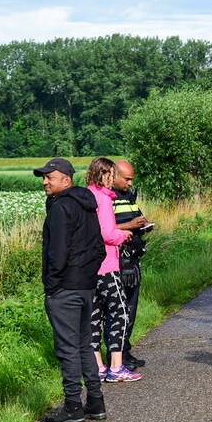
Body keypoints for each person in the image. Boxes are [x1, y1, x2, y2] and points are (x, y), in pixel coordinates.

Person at [34, 157, 107, 422]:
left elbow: (58, 252)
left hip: (65, 288)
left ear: (66, 179)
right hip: (86, 286)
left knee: (67, 348)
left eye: (49, 177)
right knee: (85, 344)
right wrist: (86, 276)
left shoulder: (61, 207)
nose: (44, 182)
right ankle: (96, 401)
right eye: (43, 177)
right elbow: (99, 248)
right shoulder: (86, 204)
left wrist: (52, 286)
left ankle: (73, 406)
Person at [86, 157, 142, 383]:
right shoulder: (104, 199)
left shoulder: (87, 197)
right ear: (106, 175)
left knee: (95, 316)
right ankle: (116, 367)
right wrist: (125, 235)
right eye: (111, 175)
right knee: (120, 312)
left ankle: (97, 366)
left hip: (90, 269)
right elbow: (107, 233)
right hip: (108, 265)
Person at [112, 159, 149, 371]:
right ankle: (118, 356)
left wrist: (142, 226)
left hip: (132, 261)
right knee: (119, 311)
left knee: (131, 310)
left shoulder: (128, 196)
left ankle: (125, 351)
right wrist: (130, 225)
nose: (129, 183)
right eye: (126, 179)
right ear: (114, 176)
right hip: (118, 263)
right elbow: (105, 229)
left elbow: (134, 221)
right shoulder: (107, 199)